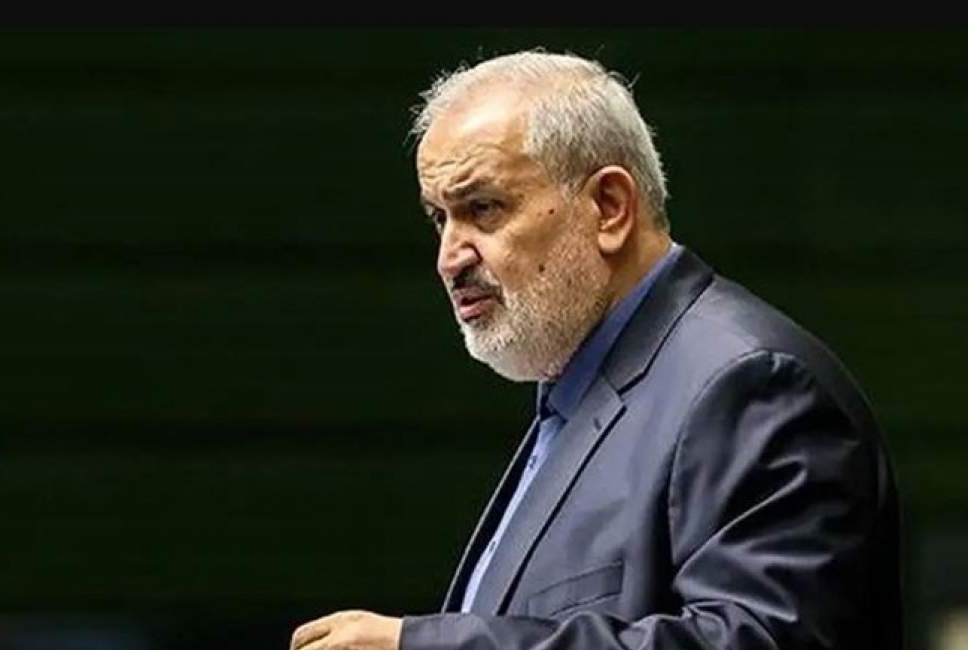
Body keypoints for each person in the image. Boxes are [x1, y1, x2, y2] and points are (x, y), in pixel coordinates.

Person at [289, 49, 903, 650]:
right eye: (438, 219)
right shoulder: (578, 390)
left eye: (483, 208)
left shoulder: (751, 386)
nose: (449, 258)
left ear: (609, 207)